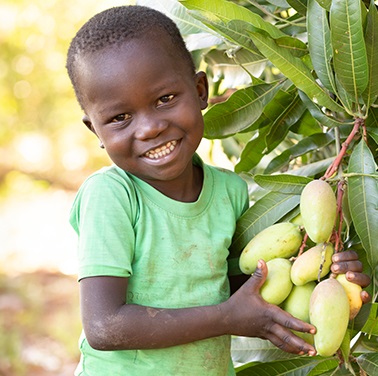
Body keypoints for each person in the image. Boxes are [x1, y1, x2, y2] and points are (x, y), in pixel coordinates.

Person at [66, 5, 370, 375]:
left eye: (164, 99)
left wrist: (330, 275)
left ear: (200, 92)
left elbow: (244, 297)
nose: (148, 129)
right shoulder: (111, 196)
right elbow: (104, 326)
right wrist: (227, 317)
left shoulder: (229, 191)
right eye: (119, 118)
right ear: (96, 131)